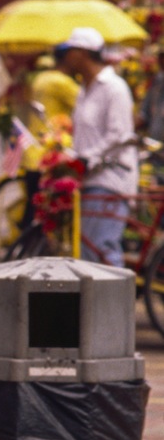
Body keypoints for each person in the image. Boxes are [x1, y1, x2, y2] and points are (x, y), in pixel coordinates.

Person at [58, 26, 138, 267]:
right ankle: (96, 304)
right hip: (89, 180)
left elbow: (120, 135)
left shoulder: (114, 88)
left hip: (110, 179)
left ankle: (116, 304)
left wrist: (86, 158)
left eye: (70, 51)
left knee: (101, 249)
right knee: (87, 250)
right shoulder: (84, 90)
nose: (66, 57)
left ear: (83, 53)